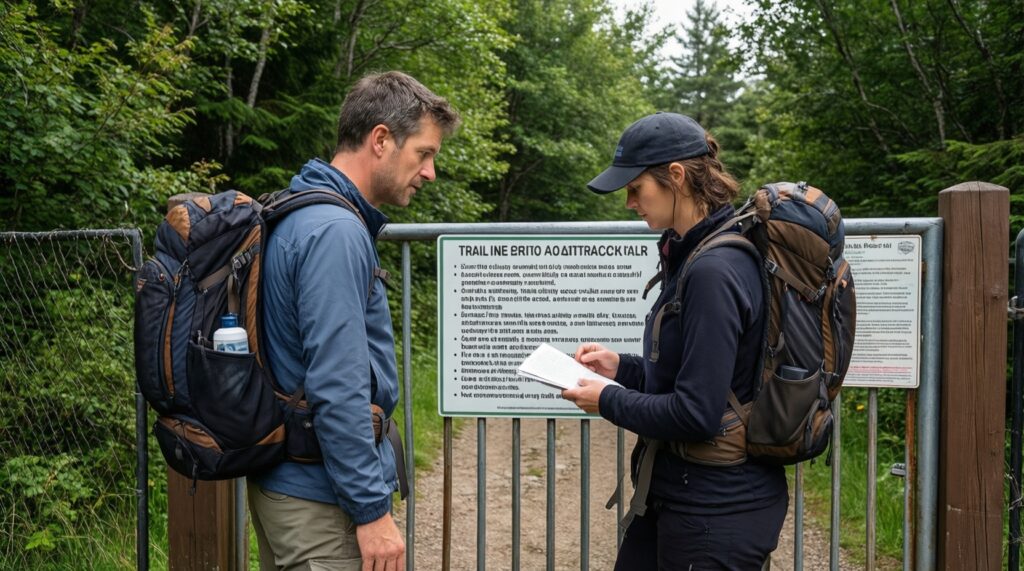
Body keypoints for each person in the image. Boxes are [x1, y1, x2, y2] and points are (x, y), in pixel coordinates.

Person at [249, 71, 460, 571]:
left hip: (290, 488)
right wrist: (370, 511)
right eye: (424, 153)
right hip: (320, 504)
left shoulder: (299, 211)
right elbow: (338, 385)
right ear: (381, 140)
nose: (430, 172)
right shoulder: (336, 231)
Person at [561, 112, 787, 570]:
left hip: (715, 512)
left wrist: (608, 400)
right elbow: (699, 380)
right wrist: (620, 368)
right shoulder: (693, 254)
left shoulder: (712, 271)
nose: (629, 203)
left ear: (677, 177)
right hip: (681, 495)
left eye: (635, 188)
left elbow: (696, 412)